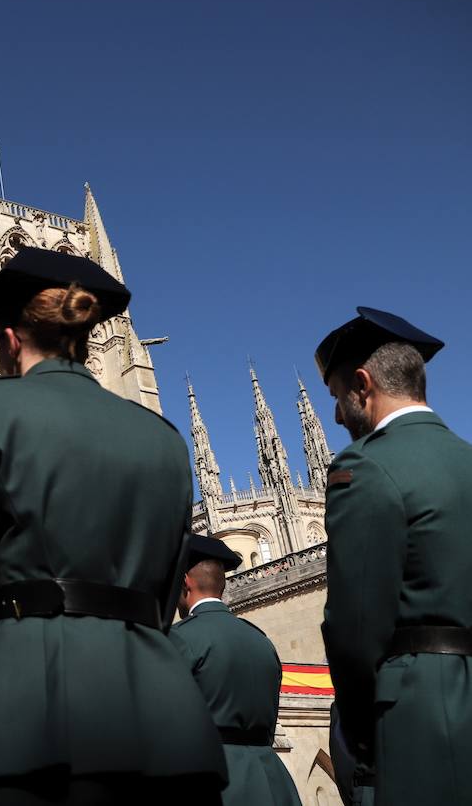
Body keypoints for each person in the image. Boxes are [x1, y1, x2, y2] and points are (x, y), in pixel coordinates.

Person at [0, 247, 226, 805]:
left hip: (29, 709)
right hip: (163, 712)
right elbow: (166, 590)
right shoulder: (162, 438)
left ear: (10, 339)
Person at [316, 307, 472, 805]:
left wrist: (365, 734)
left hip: (425, 714)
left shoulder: (366, 467)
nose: (338, 415)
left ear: (363, 385)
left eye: (338, 397)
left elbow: (355, 630)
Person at [169, 534, 302, 806]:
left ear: (185, 583)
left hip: (213, 781)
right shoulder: (261, 641)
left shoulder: (179, 638)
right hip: (273, 780)